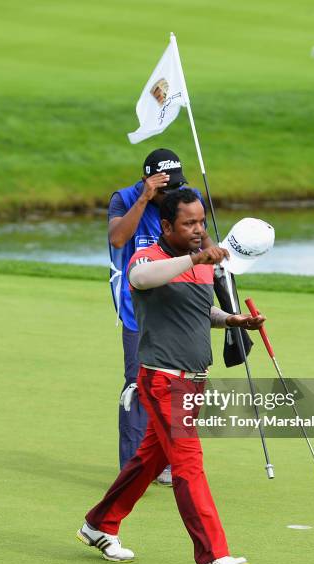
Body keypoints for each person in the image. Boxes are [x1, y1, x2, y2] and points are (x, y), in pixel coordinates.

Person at [78, 188, 266, 564]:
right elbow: (140, 278)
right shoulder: (149, 257)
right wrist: (197, 258)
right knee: (187, 464)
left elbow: (200, 310)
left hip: (194, 382)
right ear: (167, 226)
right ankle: (212, 558)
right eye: (189, 224)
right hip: (163, 381)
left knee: (148, 460)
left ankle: (99, 523)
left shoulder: (199, 265)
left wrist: (233, 321)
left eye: (201, 222)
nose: (199, 230)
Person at [108, 148, 213, 484]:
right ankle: (133, 466)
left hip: (179, 309)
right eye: (164, 189)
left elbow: (203, 245)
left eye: (176, 187)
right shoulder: (125, 199)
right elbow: (118, 238)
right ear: (148, 181)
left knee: (176, 386)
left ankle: (166, 461)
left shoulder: (188, 199)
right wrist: (144, 198)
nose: (172, 196)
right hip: (137, 309)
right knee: (138, 386)